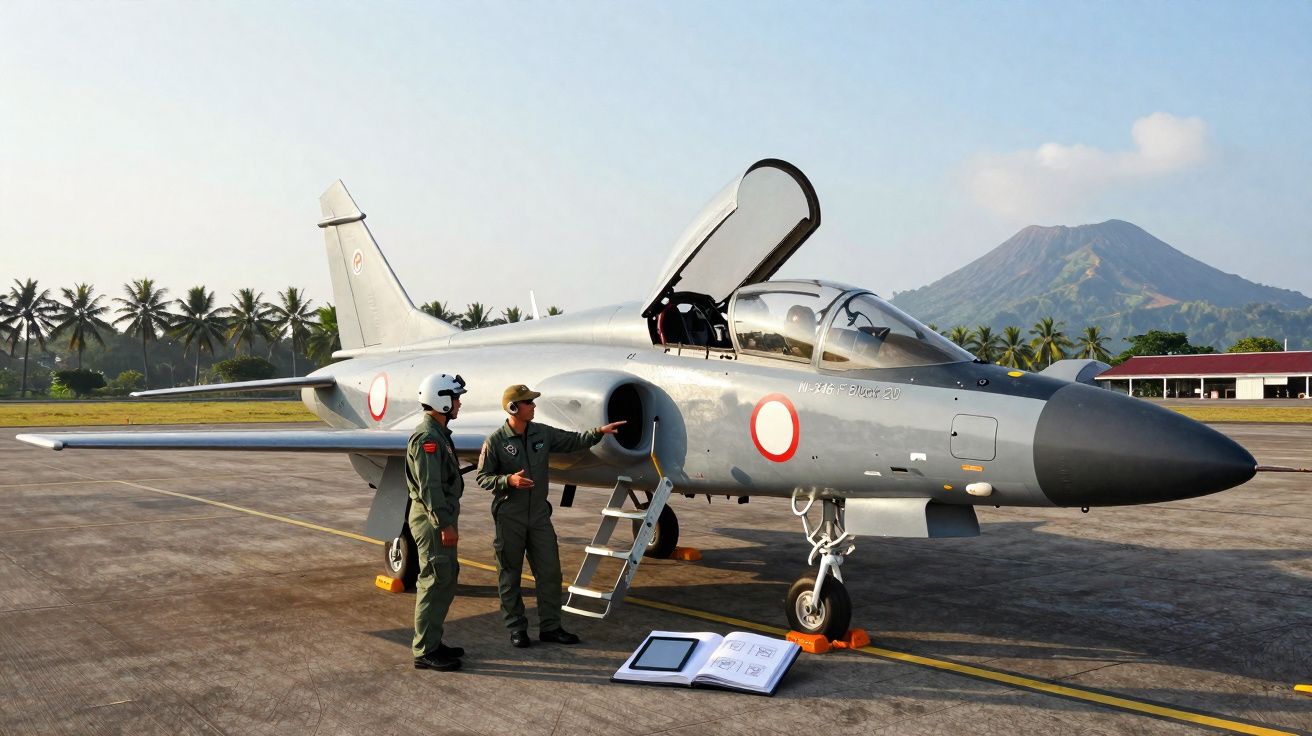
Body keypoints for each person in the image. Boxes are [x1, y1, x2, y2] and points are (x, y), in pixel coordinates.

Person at [476, 384, 626, 648]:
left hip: (538, 517)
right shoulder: (496, 442)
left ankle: (551, 627)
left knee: (550, 573)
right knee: (510, 575)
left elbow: (572, 441)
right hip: (510, 517)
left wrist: (598, 433)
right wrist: (507, 480)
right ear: (514, 408)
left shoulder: (541, 433)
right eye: (528, 403)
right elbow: (482, 477)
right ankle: (516, 629)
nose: (534, 406)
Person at [408, 372, 468, 671]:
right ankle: (424, 651)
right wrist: (444, 524)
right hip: (432, 521)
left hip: (439, 518)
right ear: (441, 401)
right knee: (433, 581)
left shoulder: (440, 435)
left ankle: (433, 640)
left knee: (445, 579)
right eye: (455, 398)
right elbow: (429, 488)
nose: (459, 403)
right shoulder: (428, 439)